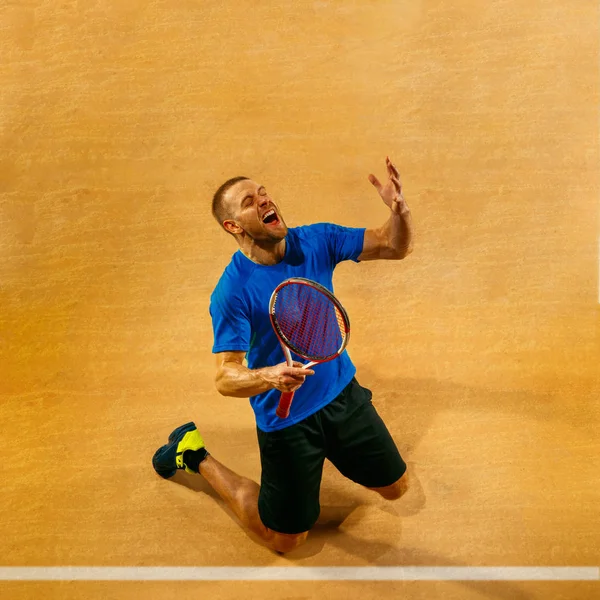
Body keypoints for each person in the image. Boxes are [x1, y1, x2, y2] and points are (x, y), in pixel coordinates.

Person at [153, 156, 414, 554]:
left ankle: (346, 432)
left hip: (342, 396)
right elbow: (225, 376)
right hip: (287, 422)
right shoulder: (232, 292)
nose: (263, 201)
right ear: (233, 226)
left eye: (263, 193)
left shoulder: (316, 240)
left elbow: (393, 245)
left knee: (397, 489)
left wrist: (399, 213)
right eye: (247, 202)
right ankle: (193, 452)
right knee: (286, 540)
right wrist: (269, 376)